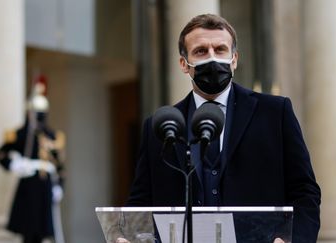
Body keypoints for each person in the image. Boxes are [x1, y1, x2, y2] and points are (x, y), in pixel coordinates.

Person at [125, 14, 321, 242]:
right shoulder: (160, 126)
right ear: (183, 64)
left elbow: (304, 190)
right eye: (200, 51)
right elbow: (141, 201)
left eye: (220, 49)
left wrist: (292, 240)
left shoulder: (275, 112)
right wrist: (128, 235)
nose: (211, 58)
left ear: (234, 59)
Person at [0, 76, 66, 243]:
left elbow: (60, 167)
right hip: (29, 185)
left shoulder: (53, 136)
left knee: (45, 231)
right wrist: (14, 164)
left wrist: (60, 187)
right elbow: (1, 154)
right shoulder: (21, 134)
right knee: (28, 229)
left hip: (46, 185)